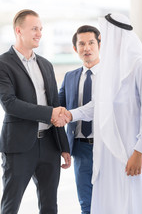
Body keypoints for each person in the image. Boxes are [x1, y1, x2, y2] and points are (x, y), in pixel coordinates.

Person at [54, 13, 142, 214]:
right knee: (106, 206)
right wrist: (70, 115)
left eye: (102, 38)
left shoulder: (141, 66)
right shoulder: (112, 69)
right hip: (107, 153)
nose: (101, 44)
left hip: (130, 151)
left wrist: (139, 150)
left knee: (129, 204)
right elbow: (98, 105)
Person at [0, 9, 71, 214]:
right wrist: (49, 113)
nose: (39, 33)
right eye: (34, 28)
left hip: (50, 145)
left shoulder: (46, 64)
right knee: (11, 205)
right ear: (19, 30)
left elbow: (54, 103)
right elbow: (10, 103)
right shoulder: (0, 64)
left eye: (41, 29)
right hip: (19, 146)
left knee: (50, 205)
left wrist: (63, 145)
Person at [58, 25, 100, 214]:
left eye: (91, 43)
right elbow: (58, 110)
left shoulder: (111, 76)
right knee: (86, 204)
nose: (86, 48)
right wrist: (64, 147)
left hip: (105, 147)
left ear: (99, 44)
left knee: (108, 202)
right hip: (80, 148)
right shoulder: (70, 77)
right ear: (75, 49)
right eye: (81, 44)